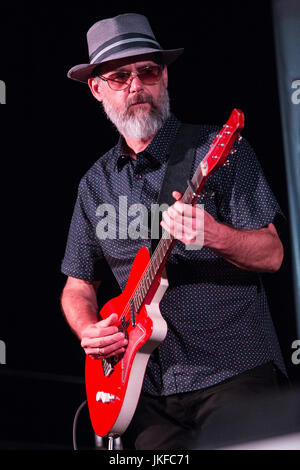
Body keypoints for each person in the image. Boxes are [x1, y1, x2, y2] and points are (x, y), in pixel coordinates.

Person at [61, 13, 288, 450]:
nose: (135, 85)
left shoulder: (217, 149)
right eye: (120, 76)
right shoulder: (94, 184)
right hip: (142, 390)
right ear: (97, 89)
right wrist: (88, 328)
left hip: (233, 371)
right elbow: (77, 286)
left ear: (164, 76)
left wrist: (214, 235)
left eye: (147, 71)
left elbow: (273, 254)